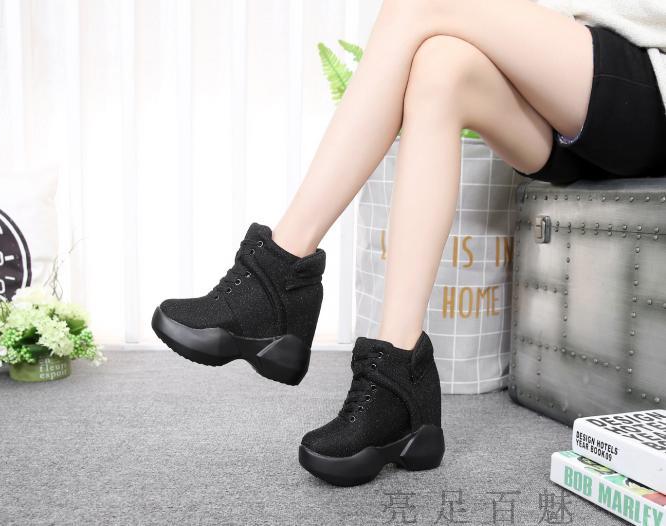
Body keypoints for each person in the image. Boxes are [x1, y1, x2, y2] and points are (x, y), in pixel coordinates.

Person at [152, 0, 666, 487]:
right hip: (571, 95)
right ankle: (398, 378)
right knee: (441, 67)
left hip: (645, 82)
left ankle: (281, 271)